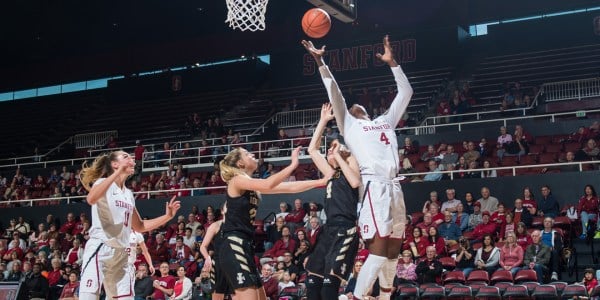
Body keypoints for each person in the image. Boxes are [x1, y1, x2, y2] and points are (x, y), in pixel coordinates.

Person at [303, 34, 412, 300]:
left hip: (395, 186)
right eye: (349, 110)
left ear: (367, 110)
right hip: (374, 185)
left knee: (393, 252)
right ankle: (358, 296)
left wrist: (392, 62)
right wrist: (320, 62)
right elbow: (335, 94)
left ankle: (384, 296)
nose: (352, 108)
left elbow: (406, 92)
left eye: (357, 108)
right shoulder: (350, 128)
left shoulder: (386, 120)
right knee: (378, 251)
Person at [217, 146, 329, 300]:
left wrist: (321, 181)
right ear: (240, 164)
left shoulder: (252, 185)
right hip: (233, 243)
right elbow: (268, 184)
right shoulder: (236, 180)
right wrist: (292, 165)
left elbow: (289, 188)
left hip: (245, 245)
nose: (253, 154)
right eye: (247, 153)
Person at [78, 150, 182, 300]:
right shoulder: (102, 183)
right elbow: (91, 199)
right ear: (114, 164)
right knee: (89, 296)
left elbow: (140, 226)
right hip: (101, 247)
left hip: (121, 253)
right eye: (125, 156)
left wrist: (167, 216)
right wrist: (117, 172)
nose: (131, 158)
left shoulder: (128, 194)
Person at [304, 103, 361, 300]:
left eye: (333, 149)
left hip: (345, 229)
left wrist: (338, 153)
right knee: (312, 282)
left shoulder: (350, 164)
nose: (329, 151)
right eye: (329, 150)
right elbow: (312, 149)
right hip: (328, 229)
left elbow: (355, 182)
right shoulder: (330, 173)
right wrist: (323, 121)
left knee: (329, 284)